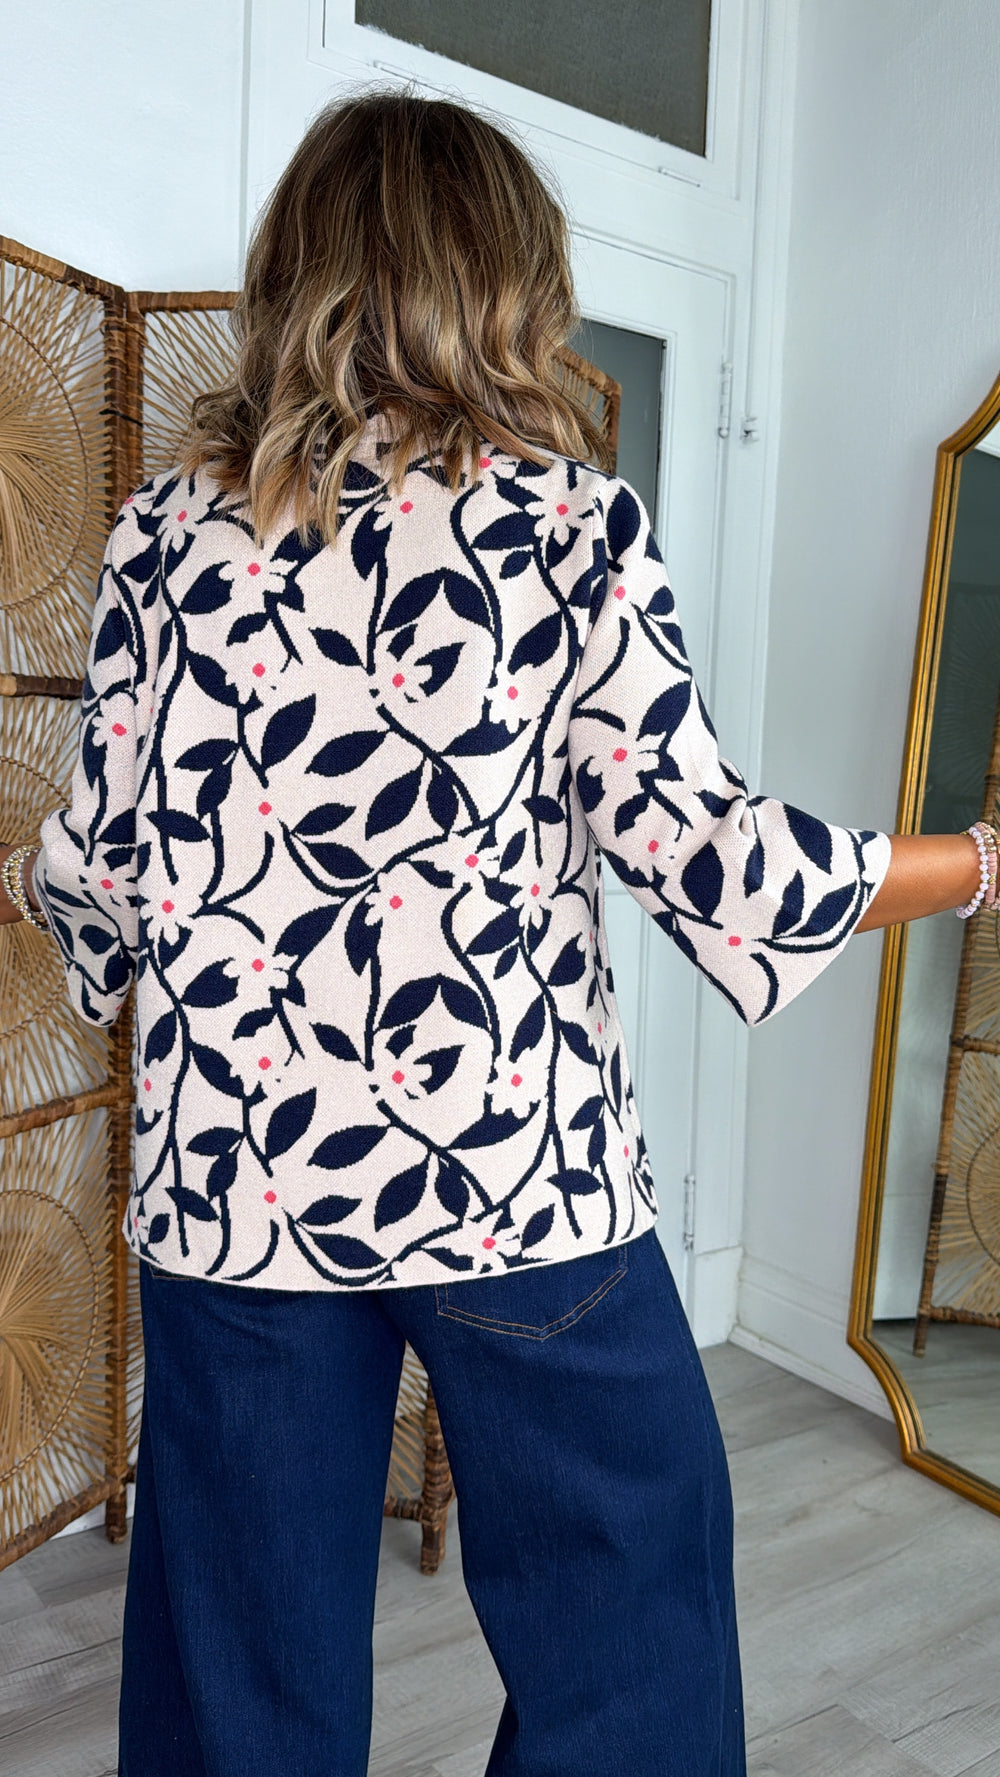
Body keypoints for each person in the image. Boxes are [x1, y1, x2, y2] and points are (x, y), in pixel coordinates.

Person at [0, 90, 993, 1777]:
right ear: (504, 279)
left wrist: (75, 912)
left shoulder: (164, 536)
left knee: (238, 1678)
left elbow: (99, 866)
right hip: (514, 1175)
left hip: (235, 1191)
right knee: (633, 1640)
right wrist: (972, 861)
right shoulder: (569, 526)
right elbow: (723, 868)